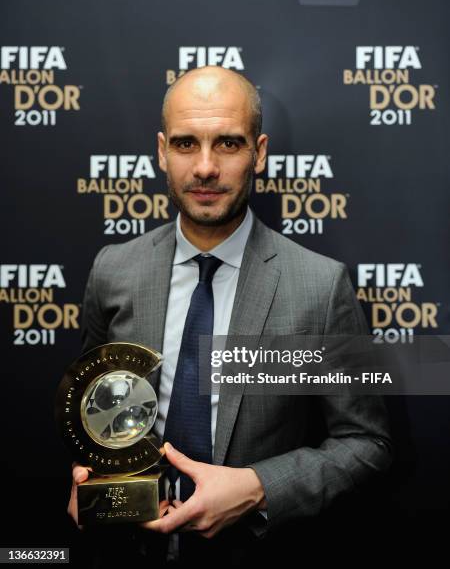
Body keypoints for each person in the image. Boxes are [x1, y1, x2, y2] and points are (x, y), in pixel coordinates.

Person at [68, 66, 392, 567]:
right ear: (161, 151)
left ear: (258, 152)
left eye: (227, 144)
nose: (204, 168)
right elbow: (93, 413)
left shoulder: (320, 286)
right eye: (184, 144)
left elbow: (366, 442)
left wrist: (258, 487)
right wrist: (92, 479)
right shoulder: (113, 270)